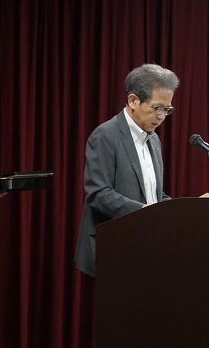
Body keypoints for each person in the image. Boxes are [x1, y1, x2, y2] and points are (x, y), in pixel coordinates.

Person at [74, 63, 179, 277]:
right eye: (157, 108)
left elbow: (153, 194)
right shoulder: (105, 136)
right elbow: (98, 194)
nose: (162, 117)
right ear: (133, 101)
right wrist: (144, 211)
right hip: (115, 247)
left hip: (148, 246)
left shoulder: (154, 140)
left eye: (167, 110)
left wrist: (176, 208)